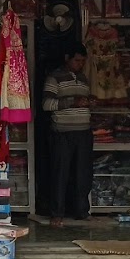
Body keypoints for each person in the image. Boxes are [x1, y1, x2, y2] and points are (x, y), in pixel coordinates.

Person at [41, 46, 93, 228]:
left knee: (82, 174)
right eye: (77, 60)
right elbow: (47, 104)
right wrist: (72, 102)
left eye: (83, 61)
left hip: (83, 132)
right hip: (62, 133)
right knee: (60, 173)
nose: (80, 64)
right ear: (67, 58)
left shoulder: (84, 79)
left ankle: (82, 211)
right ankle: (57, 214)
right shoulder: (55, 78)